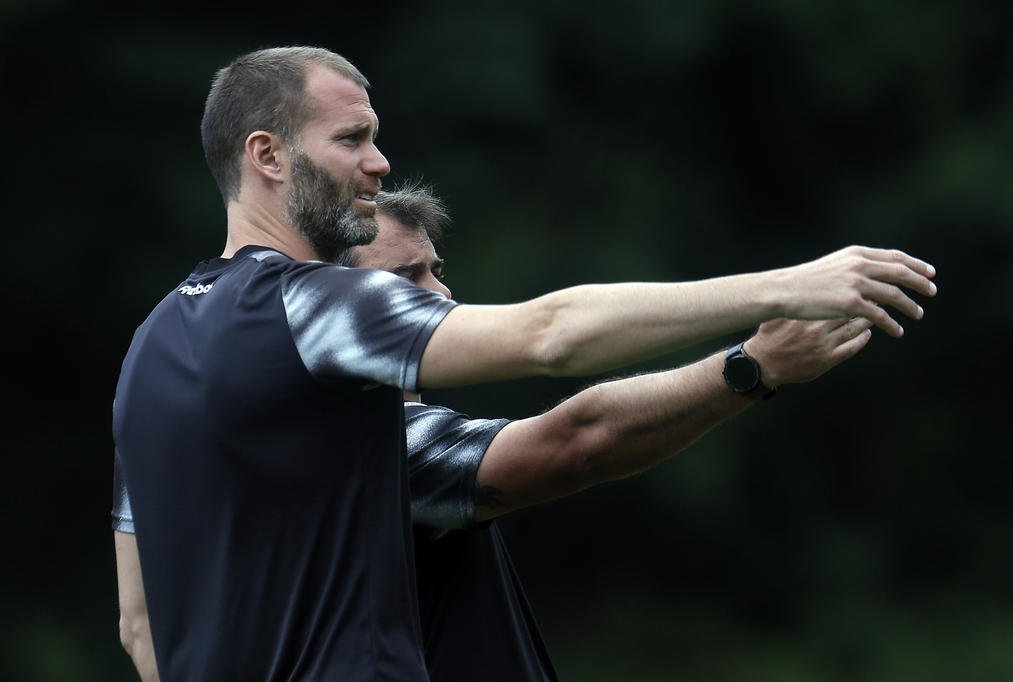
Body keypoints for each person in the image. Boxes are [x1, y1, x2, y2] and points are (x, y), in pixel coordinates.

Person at [111, 45, 937, 682]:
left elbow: (139, 626)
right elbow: (551, 337)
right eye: (353, 139)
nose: (379, 162)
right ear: (267, 156)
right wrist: (793, 284)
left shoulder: (147, 352)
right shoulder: (311, 301)